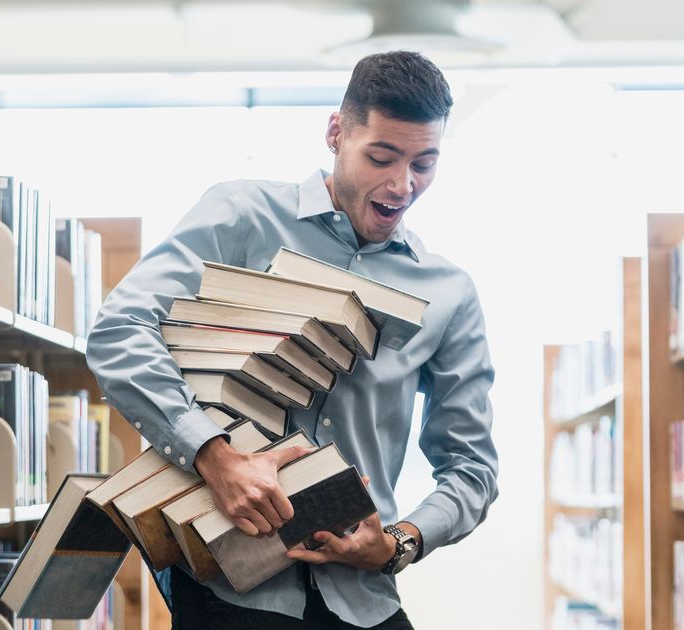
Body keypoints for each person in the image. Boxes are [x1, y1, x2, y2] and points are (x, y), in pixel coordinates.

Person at [86, 50, 498, 630]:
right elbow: (120, 330)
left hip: (363, 597)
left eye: (424, 164)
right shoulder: (241, 217)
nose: (402, 185)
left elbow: (472, 467)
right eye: (381, 158)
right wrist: (214, 456)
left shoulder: (448, 292)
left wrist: (400, 542)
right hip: (228, 592)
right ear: (336, 133)